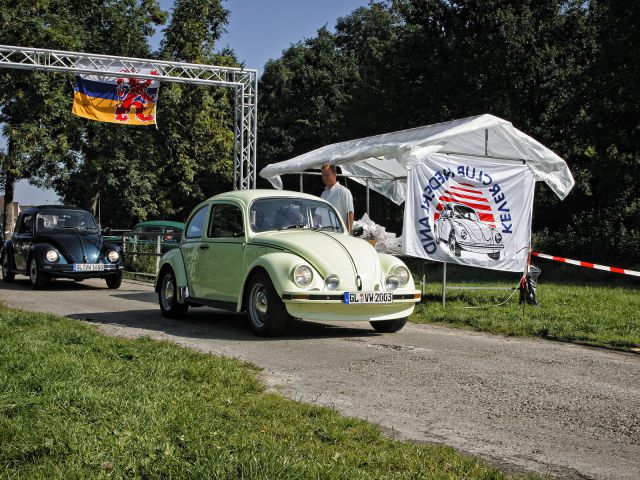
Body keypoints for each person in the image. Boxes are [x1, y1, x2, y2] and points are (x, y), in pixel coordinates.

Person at [320, 163, 354, 233]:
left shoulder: (344, 191)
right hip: (325, 235)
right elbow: (318, 216)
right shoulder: (323, 194)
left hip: (339, 235)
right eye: (323, 175)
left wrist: (348, 234)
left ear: (334, 174)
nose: (324, 178)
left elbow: (350, 213)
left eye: (327, 175)